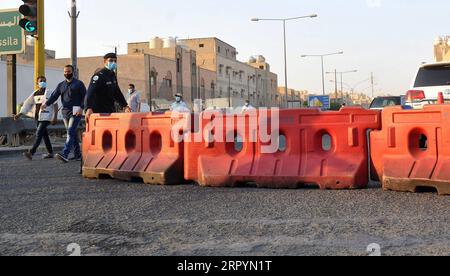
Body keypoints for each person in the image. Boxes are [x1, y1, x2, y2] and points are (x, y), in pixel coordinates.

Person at [42, 65, 87, 163]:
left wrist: (82, 107)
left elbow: (85, 97)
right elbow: (54, 96)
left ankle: (65, 154)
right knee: (72, 133)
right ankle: (78, 155)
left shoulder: (79, 84)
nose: (67, 73)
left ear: (73, 72)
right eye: (65, 72)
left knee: (70, 131)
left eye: (69, 71)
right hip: (65, 112)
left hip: (76, 111)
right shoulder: (61, 85)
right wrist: (46, 104)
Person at [13, 76, 58, 160]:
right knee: (44, 135)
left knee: (38, 133)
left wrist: (54, 117)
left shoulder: (49, 92)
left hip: (47, 117)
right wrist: (19, 114)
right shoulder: (35, 93)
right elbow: (27, 104)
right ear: (37, 83)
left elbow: (55, 104)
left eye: (44, 81)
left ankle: (31, 152)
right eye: (41, 81)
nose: (43, 82)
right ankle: (50, 152)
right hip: (38, 117)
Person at [85, 53, 131, 119]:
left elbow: (117, 92)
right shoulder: (99, 76)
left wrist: (125, 105)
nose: (113, 62)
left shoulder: (112, 76)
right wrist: (88, 108)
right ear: (105, 61)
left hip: (110, 110)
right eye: (111, 60)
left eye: (115, 61)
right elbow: (90, 92)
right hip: (99, 111)